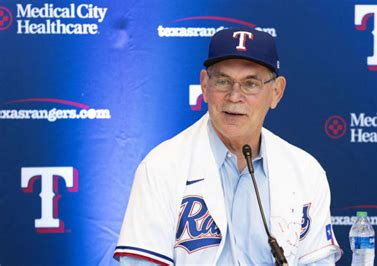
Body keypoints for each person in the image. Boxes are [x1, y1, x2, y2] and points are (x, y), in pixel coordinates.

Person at [114, 27, 341, 265]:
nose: (234, 96)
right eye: (223, 81)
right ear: (204, 85)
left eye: (250, 84)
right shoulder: (161, 167)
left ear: (276, 92)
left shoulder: (305, 171)